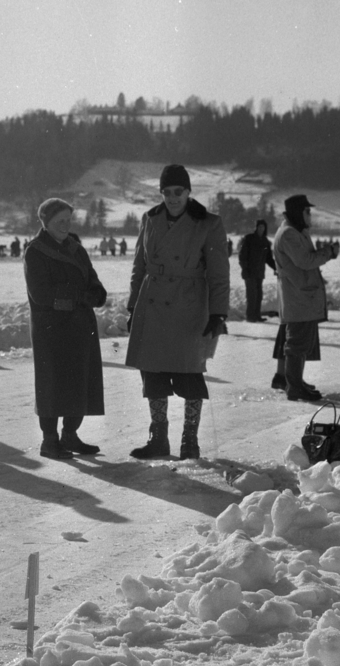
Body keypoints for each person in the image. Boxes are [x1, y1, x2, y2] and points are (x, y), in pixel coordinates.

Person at [125, 164, 229, 460]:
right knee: (152, 373)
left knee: (189, 374)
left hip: (190, 306)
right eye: (167, 192)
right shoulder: (150, 218)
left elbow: (220, 275)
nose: (172, 198)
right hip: (153, 303)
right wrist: (134, 306)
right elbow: (139, 267)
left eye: (178, 192)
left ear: (188, 192)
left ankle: (189, 441)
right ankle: (158, 438)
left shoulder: (208, 223)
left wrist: (218, 313)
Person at [24, 199, 107, 459]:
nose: (65, 225)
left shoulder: (76, 249)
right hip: (52, 329)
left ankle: (70, 435)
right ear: (45, 223)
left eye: (68, 220)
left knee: (79, 381)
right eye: (59, 221)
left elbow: (91, 278)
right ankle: (49, 441)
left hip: (80, 327)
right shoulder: (35, 251)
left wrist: (97, 292)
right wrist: (78, 297)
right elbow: (40, 294)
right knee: (52, 384)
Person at [273, 195, 336, 401]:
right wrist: (328, 252)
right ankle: (294, 387)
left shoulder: (296, 232)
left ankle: (296, 383)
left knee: (301, 344)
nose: (310, 215)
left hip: (302, 297)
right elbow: (305, 261)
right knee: (296, 344)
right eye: (307, 211)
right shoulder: (289, 234)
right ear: (298, 212)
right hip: (298, 298)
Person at [237, 219, 276, 321]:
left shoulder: (265, 241)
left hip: (259, 272)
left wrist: (277, 267)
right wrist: (244, 269)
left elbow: (269, 258)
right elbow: (242, 256)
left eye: (263, 227)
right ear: (256, 228)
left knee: (259, 295)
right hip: (249, 272)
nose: (261, 229)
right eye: (259, 227)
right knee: (252, 295)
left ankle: (257, 316)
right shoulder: (249, 238)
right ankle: (250, 317)